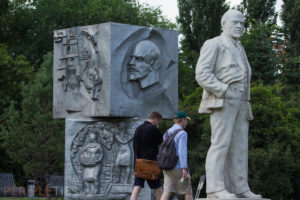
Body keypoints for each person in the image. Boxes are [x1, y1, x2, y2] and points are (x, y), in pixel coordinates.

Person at [195, 9, 262, 198]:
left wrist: (245, 100)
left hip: (241, 102)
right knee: (220, 144)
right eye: (236, 22)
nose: (240, 26)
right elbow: (202, 74)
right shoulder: (214, 44)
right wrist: (223, 89)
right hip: (222, 100)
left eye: (242, 23)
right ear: (224, 24)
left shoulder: (240, 47)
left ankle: (240, 187)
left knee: (240, 147)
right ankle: (215, 189)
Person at [130, 111, 163, 200]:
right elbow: (161, 141)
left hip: (138, 163)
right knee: (158, 188)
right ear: (155, 120)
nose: (158, 123)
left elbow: (135, 146)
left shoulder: (138, 128)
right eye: (158, 121)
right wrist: (157, 129)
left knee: (137, 187)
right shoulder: (153, 128)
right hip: (150, 164)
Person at [160, 111, 193, 200]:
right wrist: (184, 168)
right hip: (178, 166)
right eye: (186, 120)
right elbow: (182, 151)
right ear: (182, 119)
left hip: (167, 166)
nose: (187, 122)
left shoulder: (166, 132)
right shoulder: (182, 133)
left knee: (166, 191)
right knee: (187, 191)